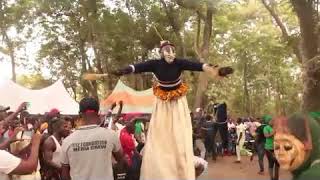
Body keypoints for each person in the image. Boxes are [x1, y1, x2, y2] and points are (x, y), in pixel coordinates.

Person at [112, 40, 233, 180]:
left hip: (177, 102)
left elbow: (198, 66)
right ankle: (162, 166)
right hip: (162, 103)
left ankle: (180, 164)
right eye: (166, 49)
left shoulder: (179, 63)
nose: (169, 52)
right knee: (161, 132)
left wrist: (216, 71)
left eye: (171, 49)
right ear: (161, 52)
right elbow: (138, 67)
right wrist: (124, 70)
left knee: (179, 131)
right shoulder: (155, 64)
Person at [61, 97, 126, 180]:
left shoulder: (67, 141)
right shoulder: (110, 135)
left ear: (80, 114)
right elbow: (121, 159)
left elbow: (64, 173)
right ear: (98, 112)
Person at [263, 115, 279, 180]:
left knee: (277, 163)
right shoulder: (266, 128)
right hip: (269, 148)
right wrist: (273, 133)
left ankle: (276, 178)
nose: (272, 122)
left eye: (273, 120)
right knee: (271, 162)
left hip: (277, 148)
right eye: (271, 120)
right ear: (268, 121)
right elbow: (266, 135)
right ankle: (271, 178)